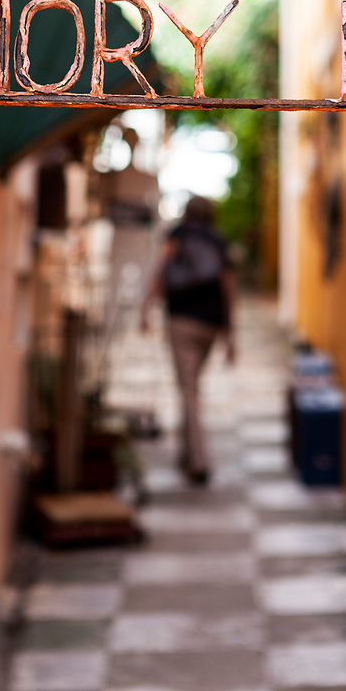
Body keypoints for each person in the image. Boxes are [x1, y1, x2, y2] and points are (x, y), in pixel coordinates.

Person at [140, 196, 236, 484]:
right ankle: (186, 454)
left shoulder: (177, 235)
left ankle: (198, 461)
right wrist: (231, 334)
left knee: (188, 391)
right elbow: (228, 288)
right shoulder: (218, 241)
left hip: (181, 320)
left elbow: (160, 272)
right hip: (211, 324)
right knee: (191, 388)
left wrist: (145, 307)